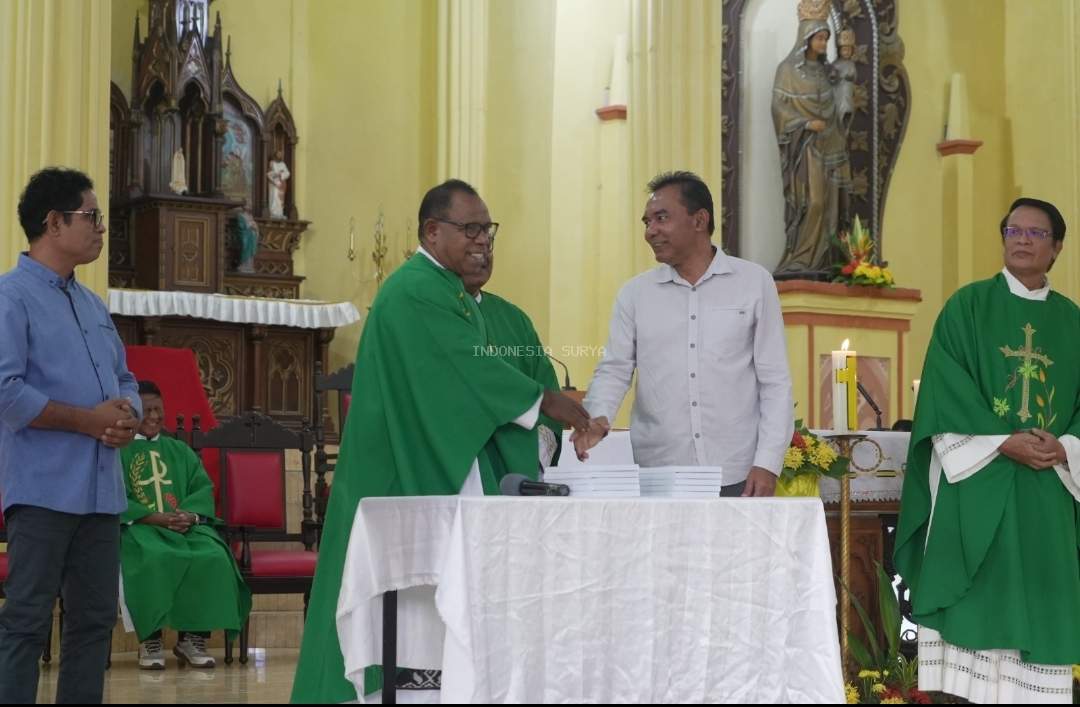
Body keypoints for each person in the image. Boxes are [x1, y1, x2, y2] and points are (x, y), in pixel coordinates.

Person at [290, 179, 590, 702]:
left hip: (442, 466)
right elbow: (464, 369)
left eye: (488, 229)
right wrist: (545, 401)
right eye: (470, 229)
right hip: (400, 470)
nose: (483, 240)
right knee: (406, 616)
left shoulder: (459, 298)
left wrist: (542, 426)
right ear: (432, 231)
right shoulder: (416, 290)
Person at [894, 197, 1080, 703]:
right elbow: (945, 390)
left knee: (1041, 603)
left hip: (1048, 489)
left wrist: (1065, 447)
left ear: (1057, 247)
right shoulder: (967, 307)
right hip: (977, 482)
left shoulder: (1073, 320)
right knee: (976, 608)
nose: (1022, 240)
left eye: (1036, 233)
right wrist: (1004, 442)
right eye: (1013, 230)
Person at [0, 167, 142, 703]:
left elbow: (125, 378)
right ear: (53, 223)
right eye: (92, 216)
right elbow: (6, 392)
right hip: (43, 490)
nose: (101, 228)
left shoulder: (91, 304)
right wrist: (89, 421)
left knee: (94, 622)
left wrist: (125, 415)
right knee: (26, 622)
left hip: (102, 493)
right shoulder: (10, 298)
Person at [576, 171, 793, 498]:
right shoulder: (635, 294)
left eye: (661, 218)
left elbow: (775, 380)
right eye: (647, 222)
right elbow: (614, 369)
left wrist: (768, 463)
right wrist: (596, 417)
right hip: (660, 473)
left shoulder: (753, 283)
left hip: (738, 471)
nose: (650, 231)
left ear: (699, 220)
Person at [119, 381, 251, 671]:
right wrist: (156, 518)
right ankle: (150, 639)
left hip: (183, 527)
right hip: (142, 528)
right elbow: (117, 497)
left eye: (158, 410)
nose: (154, 417)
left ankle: (193, 639)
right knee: (153, 557)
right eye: (147, 410)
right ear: (132, 411)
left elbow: (202, 487)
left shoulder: (179, 450)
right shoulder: (119, 452)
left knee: (213, 555)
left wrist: (190, 515)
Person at [462, 242, 563, 468]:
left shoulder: (514, 319)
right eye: (472, 247)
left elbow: (548, 400)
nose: (482, 254)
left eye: (488, 246)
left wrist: (532, 459)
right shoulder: (433, 312)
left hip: (518, 471)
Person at [771, 1, 851, 277]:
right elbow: (778, 108)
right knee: (813, 202)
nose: (823, 43)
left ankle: (825, 260)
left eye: (826, 38)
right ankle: (802, 258)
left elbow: (838, 104)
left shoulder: (828, 73)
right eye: (819, 37)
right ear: (806, 37)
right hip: (804, 147)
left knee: (830, 205)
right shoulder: (787, 71)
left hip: (831, 145)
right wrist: (805, 124)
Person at [267, 149, 290, 219]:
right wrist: (277, 174)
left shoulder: (283, 164)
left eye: (281, 154)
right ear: (275, 155)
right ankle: (273, 212)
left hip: (282, 183)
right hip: (274, 183)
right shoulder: (272, 163)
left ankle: (280, 213)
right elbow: (269, 173)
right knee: (274, 196)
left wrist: (281, 175)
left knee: (280, 199)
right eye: (278, 154)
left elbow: (288, 173)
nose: (280, 155)